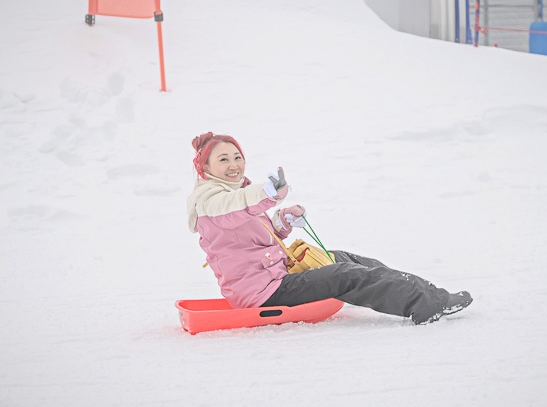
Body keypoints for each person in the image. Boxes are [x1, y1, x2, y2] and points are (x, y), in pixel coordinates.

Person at [186, 132, 473, 325]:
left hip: (277, 275)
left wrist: (282, 221)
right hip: (264, 293)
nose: (234, 165)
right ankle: (426, 305)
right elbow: (235, 207)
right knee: (347, 275)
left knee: (349, 260)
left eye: (237, 157)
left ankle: (430, 294)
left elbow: (252, 237)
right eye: (223, 159)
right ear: (205, 168)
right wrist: (267, 193)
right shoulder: (210, 202)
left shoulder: (236, 193)